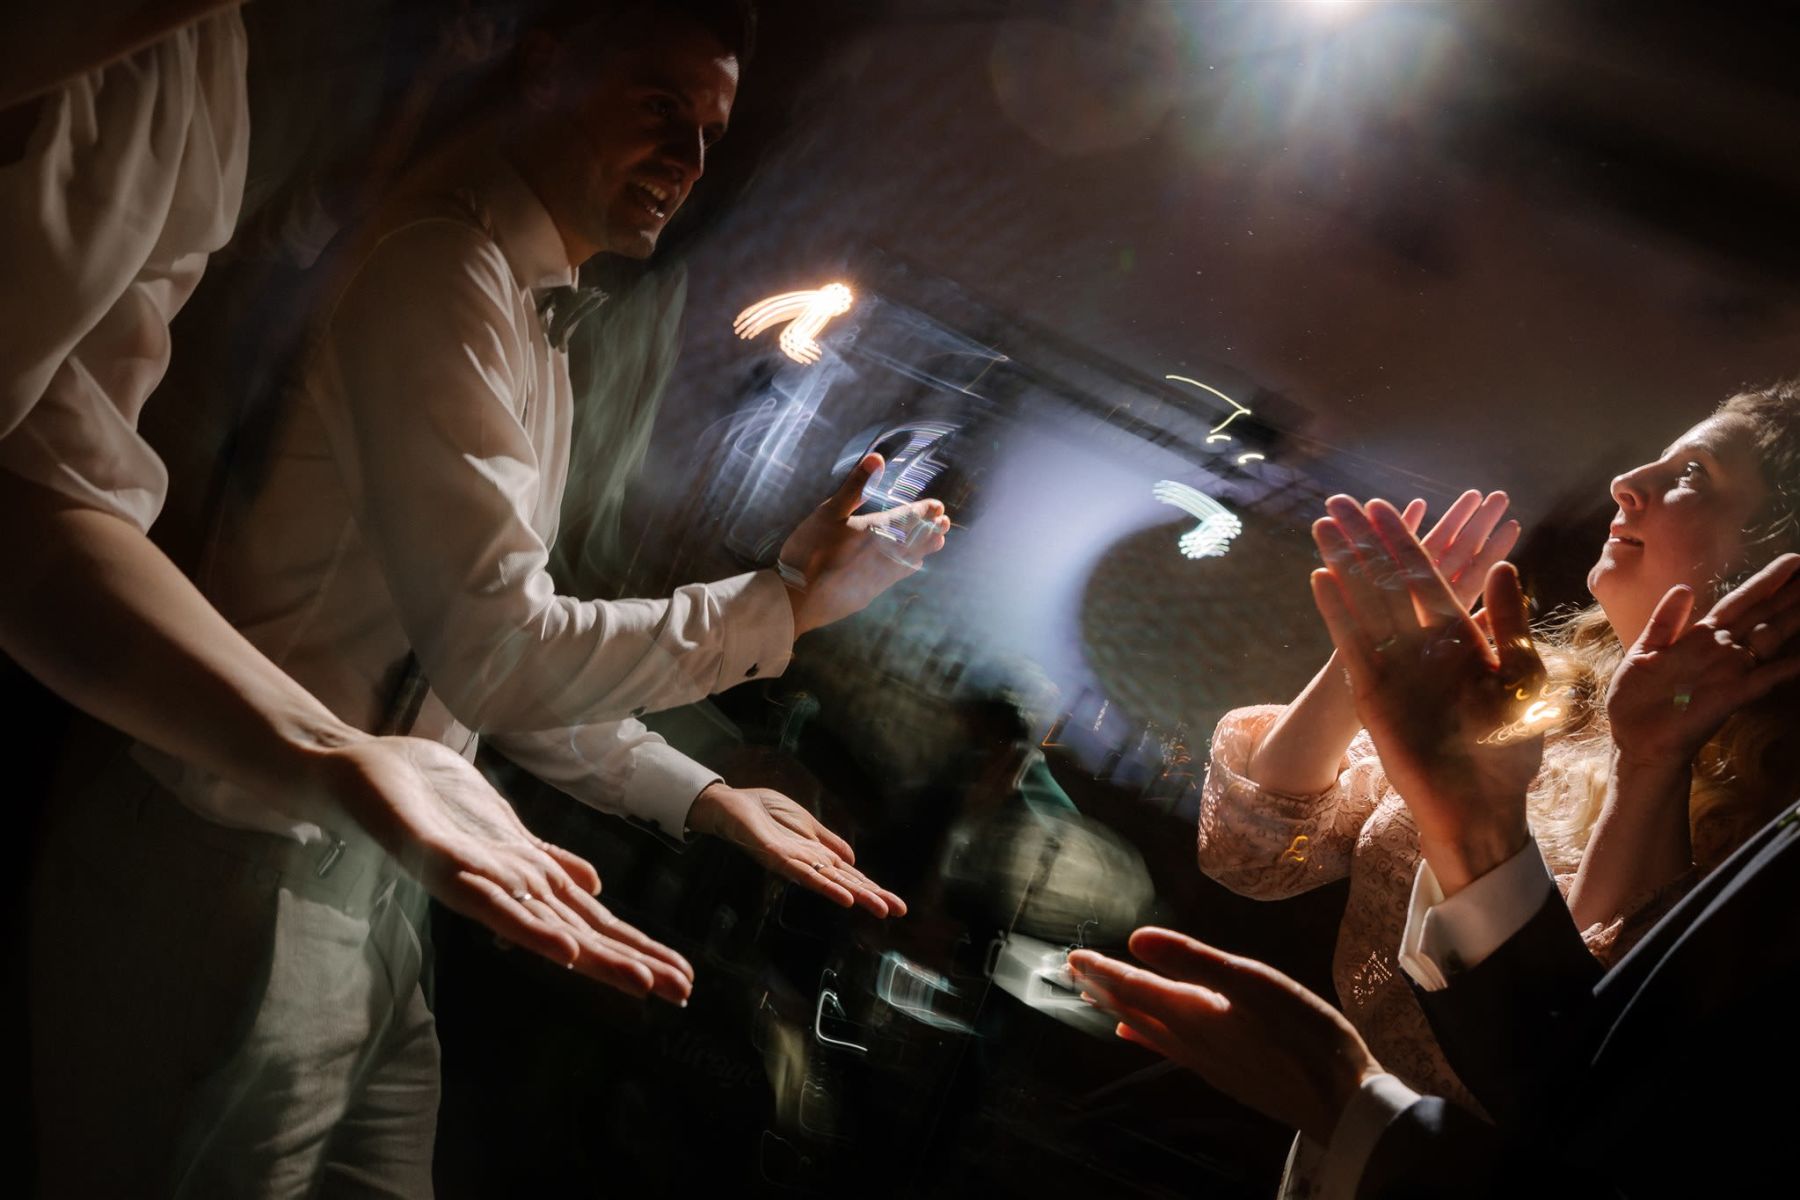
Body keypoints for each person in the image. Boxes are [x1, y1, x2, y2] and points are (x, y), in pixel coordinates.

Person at [29, 2, 947, 1194]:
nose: (685, 158)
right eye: (660, 106)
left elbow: (486, 674)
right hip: (235, 869)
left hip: (386, 881)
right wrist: (781, 609)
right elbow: (498, 651)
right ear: (549, 61)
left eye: (710, 135)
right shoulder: (439, 269)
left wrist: (705, 795)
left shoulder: (536, 323)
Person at [1070, 386, 1800, 1197]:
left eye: (1694, 473)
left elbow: (1566, 1058)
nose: (1627, 482)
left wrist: (1647, 763)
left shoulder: (1766, 829)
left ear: (1781, 559)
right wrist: (1366, 657)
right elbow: (1256, 855)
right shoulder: (1536, 697)